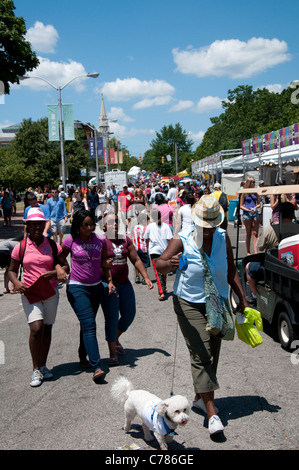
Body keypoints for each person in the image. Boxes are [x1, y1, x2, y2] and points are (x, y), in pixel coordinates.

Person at [156, 195, 248, 435]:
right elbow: (160, 263)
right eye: (204, 226)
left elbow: (229, 270)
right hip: (188, 302)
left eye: (212, 226)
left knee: (213, 349)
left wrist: (243, 299)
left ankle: (199, 397)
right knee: (201, 351)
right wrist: (172, 263)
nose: (207, 231)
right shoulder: (183, 238)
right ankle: (212, 413)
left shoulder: (223, 237)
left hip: (215, 301)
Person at [8, 207, 69, 387]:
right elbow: (11, 270)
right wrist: (17, 282)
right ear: (27, 225)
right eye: (32, 224)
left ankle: (43, 365)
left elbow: (65, 266)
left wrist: (55, 271)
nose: (36, 227)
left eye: (39, 224)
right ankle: (35, 369)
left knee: (47, 328)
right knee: (36, 328)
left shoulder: (51, 245)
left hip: (50, 292)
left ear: (44, 225)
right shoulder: (21, 246)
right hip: (30, 292)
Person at [61, 209, 115, 383]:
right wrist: (61, 269)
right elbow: (59, 258)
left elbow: (105, 262)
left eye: (92, 224)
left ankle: (82, 354)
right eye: (86, 225)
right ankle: (97, 366)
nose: (90, 227)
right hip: (77, 288)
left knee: (87, 324)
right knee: (90, 324)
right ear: (78, 226)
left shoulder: (100, 241)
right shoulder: (70, 241)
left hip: (96, 288)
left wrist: (110, 280)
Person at [100, 212, 153, 366]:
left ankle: (115, 338)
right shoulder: (101, 242)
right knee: (111, 318)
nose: (115, 224)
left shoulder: (125, 240)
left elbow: (135, 259)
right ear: (104, 226)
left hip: (125, 284)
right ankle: (112, 352)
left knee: (129, 315)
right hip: (108, 285)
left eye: (116, 221)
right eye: (111, 222)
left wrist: (146, 277)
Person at [245, 201, 296, 305]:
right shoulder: (297, 228)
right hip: (293, 267)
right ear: (293, 214)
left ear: (279, 214)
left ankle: (254, 295)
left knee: (248, 267)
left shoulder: (271, 229)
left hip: (274, 269)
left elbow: (260, 246)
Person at [144, 208, 173, 301]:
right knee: (163, 272)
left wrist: (148, 246)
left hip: (154, 252)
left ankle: (161, 292)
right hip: (165, 252)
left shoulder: (150, 226)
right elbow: (170, 240)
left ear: (152, 216)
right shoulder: (166, 226)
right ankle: (163, 289)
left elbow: (146, 238)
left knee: (159, 273)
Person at [239, 177, 261, 255]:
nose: (254, 184)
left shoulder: (256, 192)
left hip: (254, 212)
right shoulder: (244, 193)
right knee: (248, 233)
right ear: (249, 183)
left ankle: (255, 251)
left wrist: (256, 207)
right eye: (252, 182)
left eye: (254, 182)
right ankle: (248, 251)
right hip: (247, 213)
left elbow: (259, 203)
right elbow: (241, 205)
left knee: (255, 233)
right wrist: (248, 210)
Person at [131, 212, 151, 284]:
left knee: (137, 262)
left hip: (135, 248)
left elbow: (132, 237)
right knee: (144, 263)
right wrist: (148, 247)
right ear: (143, 221)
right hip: (144, 248)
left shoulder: (134, 228)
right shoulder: (145, 228)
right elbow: (147, 239)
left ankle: (137, 276)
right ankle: (144, 278)